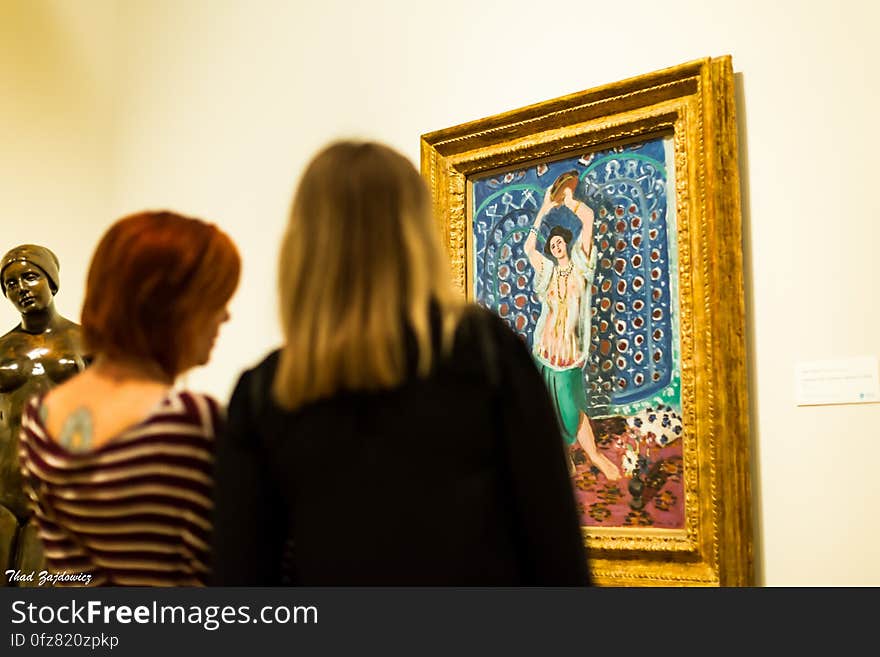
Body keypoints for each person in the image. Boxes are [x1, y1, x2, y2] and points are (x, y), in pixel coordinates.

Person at [212, 141, 589, 586]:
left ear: (303, 247)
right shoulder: (484, 353)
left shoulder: (267, 392)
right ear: (418, 236)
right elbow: (557, 554)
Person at [17, 211, 240, 586]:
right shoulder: (191, 420)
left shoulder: (38, 419)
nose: (226, 317)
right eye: (215, 300)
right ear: (170, 308)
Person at [524, 170, 622, 482]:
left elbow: (590, 219)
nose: (554, 246)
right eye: (550, 243)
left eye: (558, 241)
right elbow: (529, 249)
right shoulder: (547, 273)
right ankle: (564, 455)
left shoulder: (582, 265)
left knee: (571, 407)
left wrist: (567, 200)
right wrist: (542, 212)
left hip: (570, 354)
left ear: (566, 244)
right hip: (545, 351)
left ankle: (594, 456)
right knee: (550, 408)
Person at [0, 244, 89, 579]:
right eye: (10, 283)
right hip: (5, 486)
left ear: (51, 282)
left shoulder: (87, 341)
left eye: (30, 277)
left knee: (43, 592)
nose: (21, 288)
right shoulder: (2, 349)